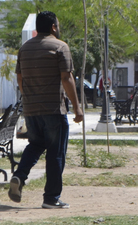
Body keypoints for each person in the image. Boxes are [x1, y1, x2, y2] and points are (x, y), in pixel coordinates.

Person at [9, 11, 84, 209]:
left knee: (35, 144)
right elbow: (66, 78)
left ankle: (19, 175)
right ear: (53, 26)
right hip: (53, 109)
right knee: (56, 153)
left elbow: (20, 78)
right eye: (57, 25)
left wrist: (29, 98)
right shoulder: (60, 46)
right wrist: (77, 108)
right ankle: (51, 198)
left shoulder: (24, 49)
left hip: (31, 109)